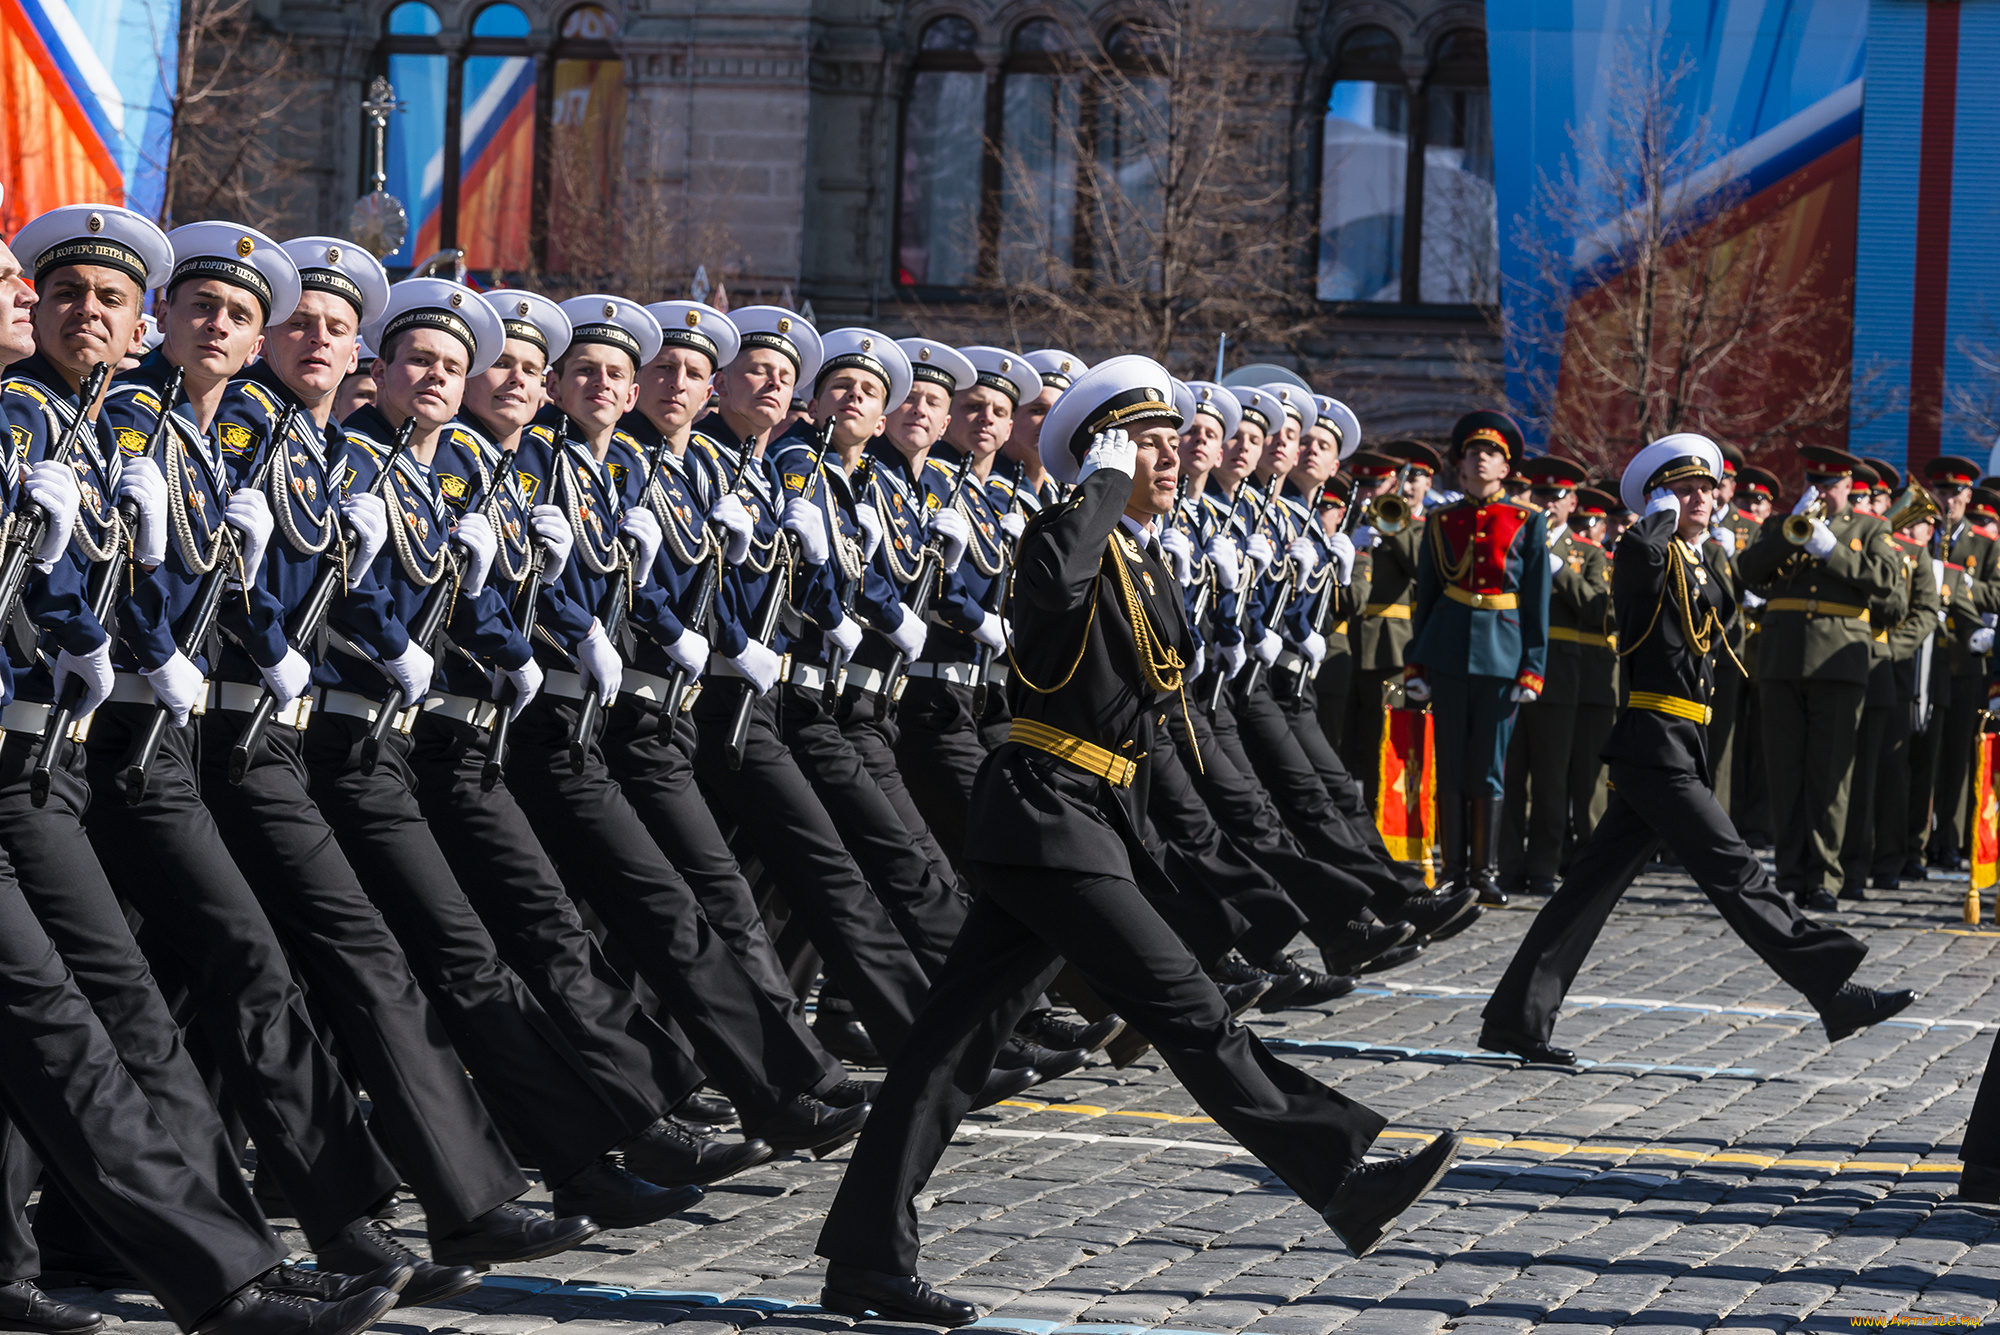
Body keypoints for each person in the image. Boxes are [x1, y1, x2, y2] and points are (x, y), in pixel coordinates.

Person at [814, 355, 1460, 1328]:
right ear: (1103, 459)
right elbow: (1056, 598)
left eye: (1169, 444)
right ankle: (1337, 1174)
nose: (1172, 459)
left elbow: (1157, 700)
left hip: (1089, 818)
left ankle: (864, 1258)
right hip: (1046, 814)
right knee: (1191, 1008)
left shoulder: (1142, 555)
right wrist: (1099, 485)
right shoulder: (1058, 538)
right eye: (1148, 446)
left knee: (946, 1053)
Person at [1479, 433, 1915, 1065]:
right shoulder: (1640, 551)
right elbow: (1644, 577)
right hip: (1656, 744)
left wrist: (1710, 547)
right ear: (1658, 498)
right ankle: (1833, 988)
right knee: (1735, 871)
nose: (1703, 498)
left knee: (1587, 891)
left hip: (1678, 744)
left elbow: (1725, 610)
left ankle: (1517, 1019)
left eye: (1707, 488)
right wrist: (1654, 519)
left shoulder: (1701, 557)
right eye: (1685, 489)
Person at [1738, 446, 1902, 912]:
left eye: (1832, 485)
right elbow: (1748, 572)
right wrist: (1789, 535)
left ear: (1849, 487)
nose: (1823, 493)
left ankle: (1825, 877)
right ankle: (1790, 873)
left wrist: (1833, 552)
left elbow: (1888, 584)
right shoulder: (1782, 525)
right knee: (1784, 771)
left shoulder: (1872, 528)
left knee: (1829, 776)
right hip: (1781, 658)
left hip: (1837, 664)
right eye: (1817, 483)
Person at [1404, 412, 1551, 904]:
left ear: (1506, 468)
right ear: (1461, 464)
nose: (1481, 458)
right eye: (1472, 452)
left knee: (1488, 765)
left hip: (1503, 656)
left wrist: (1532, 667)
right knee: (1449, 761)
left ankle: (1484, 872)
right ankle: (1453, 868)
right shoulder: (1442, 521)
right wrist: (1416, 664)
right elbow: (1425, 595)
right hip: (1446, 651)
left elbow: (1537, 601)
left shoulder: (1528, 522)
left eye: (1491, 453)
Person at [1497, 456, 1607, 897]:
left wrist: (1559, 569)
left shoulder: (1590, 554)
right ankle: (1506, 864)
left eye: (1555, 497)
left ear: (1572, 503)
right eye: (1539, 495)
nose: (1546, 504)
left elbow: (1603, 611)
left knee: (1551, 777)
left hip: (1560, 673)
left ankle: (1543, 865)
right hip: (1509, 662)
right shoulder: (1511, 541)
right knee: (1508, 773)